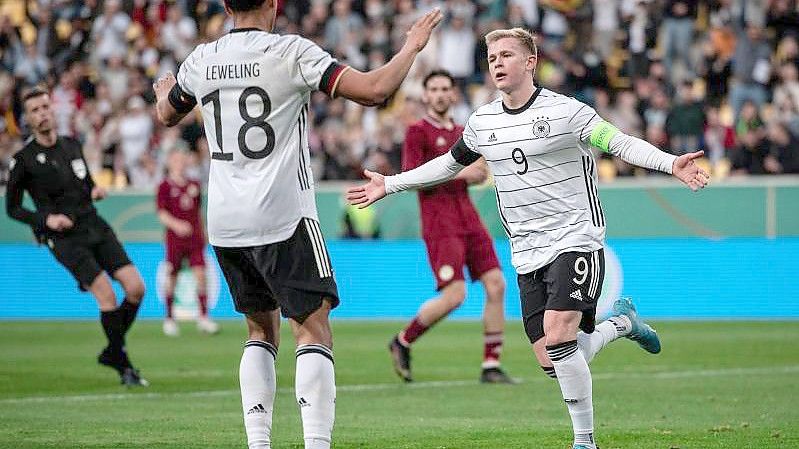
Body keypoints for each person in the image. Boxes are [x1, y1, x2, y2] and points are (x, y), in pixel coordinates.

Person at [346, 28, 709, 449]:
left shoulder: (566, 112)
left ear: (530, 62)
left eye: (506, 55)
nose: (497, 63)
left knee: (558, 334)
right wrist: (389, 184)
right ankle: (623, 323)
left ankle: (584, 440)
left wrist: (670, 164)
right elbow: (447, 165)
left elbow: (619, 142)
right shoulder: (483, 122)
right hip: (527, 250)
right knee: (554, 357)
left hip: (576, 236)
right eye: (492, 57)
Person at [152, 1, 442, 448]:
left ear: (227, 6)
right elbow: (374, 90)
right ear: (273, 4)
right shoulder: (290, 52)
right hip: (283, 214)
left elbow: (168, 114)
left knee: (259, 330)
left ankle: (259, 443)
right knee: (312, 328)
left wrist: (162, 91)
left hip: (226, 220)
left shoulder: (201, 60)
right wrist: (411, 47)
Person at [6, 86, 148, 387]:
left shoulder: (72, 145)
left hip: (93, 224)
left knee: (136, 288)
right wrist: (45, 219)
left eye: (45, 107)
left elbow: (85, 181)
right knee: (107, 296)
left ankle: (112, 350)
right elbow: (13, 208)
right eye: (35, 110)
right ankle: (124, 366)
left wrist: (94, 189)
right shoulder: (24, 160)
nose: (42, 113)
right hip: (65, 237)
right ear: (27, 120)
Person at [388, 69, 513, 384]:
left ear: (453, 94)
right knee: (455, 296)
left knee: (497, 284)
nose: (441, 94)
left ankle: (491, 365)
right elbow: (411, 177)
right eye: (434, 89)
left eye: (446, 88)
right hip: (440, 223)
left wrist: (475, 171)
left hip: (468, 217)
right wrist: (461, 173)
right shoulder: (417, 132)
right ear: (426, 96)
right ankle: (403, 340)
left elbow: (481, 171)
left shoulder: (463, 132)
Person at [156, 148, 219, 336]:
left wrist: (204, 231)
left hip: (194, 239)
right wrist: (177, 225)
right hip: (175, 239)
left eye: (182, 159)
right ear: (170, 163)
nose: (180, 163)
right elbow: (162, 213)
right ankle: (169, 319)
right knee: (172, 276)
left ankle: (204, 318)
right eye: (176, 159)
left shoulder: (194, 185)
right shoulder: (164, 186)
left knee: (201, 275)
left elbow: (198, 211)